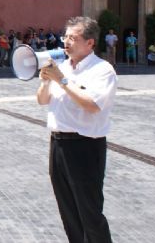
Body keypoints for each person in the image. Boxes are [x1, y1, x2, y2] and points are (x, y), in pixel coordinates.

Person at [37, 16, 115, 243]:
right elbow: (42, 100)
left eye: (73, 37)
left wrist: (61, 81)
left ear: (90, 43)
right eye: (66, 37)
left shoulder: (102, 70)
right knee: (68, 209)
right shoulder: (62, 67)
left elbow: (92, 105)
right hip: (58, 144)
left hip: (85, 146)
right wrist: (45, 82)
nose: (67, 42)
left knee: (89, 212)